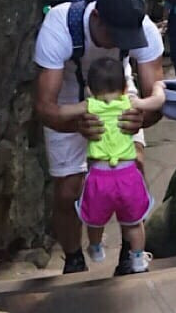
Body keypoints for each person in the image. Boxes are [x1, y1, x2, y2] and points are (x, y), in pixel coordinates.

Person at [34, 0, 166, 275]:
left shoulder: (142, 28)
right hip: (69, 95)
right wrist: (76, 124)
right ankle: (74, 258)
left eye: (125, 38)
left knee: (134, 170)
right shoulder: (60, 26)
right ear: (96, 18)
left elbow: (154, 96)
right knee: (69, 191)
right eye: (113, 35)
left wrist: (141, 119)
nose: (118, 42)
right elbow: (45, 107)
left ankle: (129, 255)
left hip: (119, 91)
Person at [57, 58, 166, 274]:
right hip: (128, 175)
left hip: (99, 177)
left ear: (89, 89)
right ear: (126, 87)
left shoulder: (89, 105)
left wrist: (75, 116)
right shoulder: (129, 102)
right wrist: (158, 87)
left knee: (95, 220)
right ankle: (137, 258)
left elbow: (61, 113)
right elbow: (156, 102)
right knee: (134, 222)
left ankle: (96, 248)